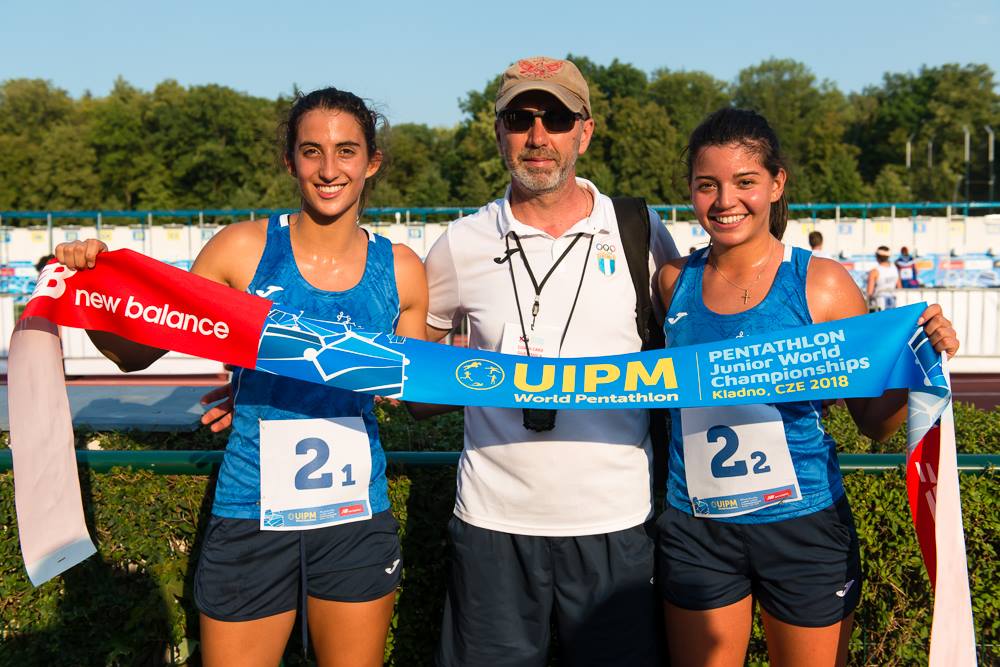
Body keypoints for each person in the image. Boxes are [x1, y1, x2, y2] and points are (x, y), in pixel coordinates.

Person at [54, 87, 428, 667]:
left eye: (347, 151)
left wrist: (504, 375)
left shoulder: (401, 270)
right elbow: (135, 357)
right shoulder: (240, 250)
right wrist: (94, 287)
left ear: (372, 161)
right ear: (290, 161)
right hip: (250, 510)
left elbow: (422, 396)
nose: (329, 170)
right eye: (311, 151)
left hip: (356, 521)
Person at [655, 108, 958, 667]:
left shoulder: (821, 286)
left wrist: (917, 363)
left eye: (745, 182)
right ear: (690, 193)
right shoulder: (672, 282)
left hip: (802, 526)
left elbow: (873, 422)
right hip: (696, 526)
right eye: (707, 186)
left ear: (776, 184)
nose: (726, 201)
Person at [420, 56, 679, 666]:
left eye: (557, 118)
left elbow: (710, 336)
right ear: (498, 132)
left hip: (618, 522)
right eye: (520, 118)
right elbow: (418, 384)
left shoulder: (641, 229)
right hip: (492, 523)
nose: (538, 137)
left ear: (584, 132)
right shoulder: (460, 243)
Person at [867, 245, 901, 310]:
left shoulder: (874, 271)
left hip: (880, 302)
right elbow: (899, 287)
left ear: (877, 257)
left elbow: (870, 292)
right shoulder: (895, 268)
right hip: (893, 300)